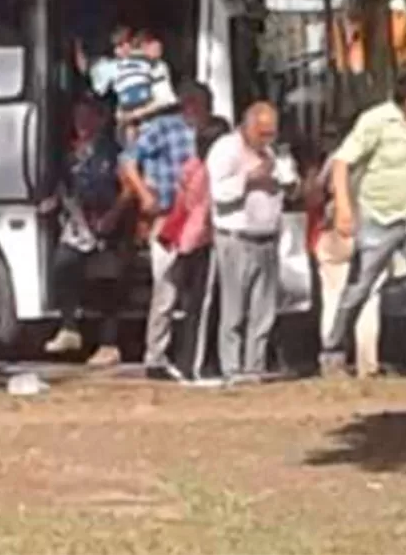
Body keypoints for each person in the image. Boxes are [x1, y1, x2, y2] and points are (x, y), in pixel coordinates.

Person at [321, 69, 406, 376]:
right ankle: (333, 351)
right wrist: (343, 207)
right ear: (403, 101)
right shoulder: (376, 120)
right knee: (359, 287)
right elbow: (342, 162)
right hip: (377, 215)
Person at [41, 99, 135, 366]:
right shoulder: (70, 154)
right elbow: (64, 188)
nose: (81, 124)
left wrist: (113, 217)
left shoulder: (113, 152)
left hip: (110, 222)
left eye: (87, 117)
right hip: (79, 223)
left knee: (108, 282)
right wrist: (52, 203)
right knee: (62, 265)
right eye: (77, 117)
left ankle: (109, 344)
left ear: (100, 120)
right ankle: (69, 327)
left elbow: (128, 189)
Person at [206, 102, 292, 381]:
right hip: (236, 237)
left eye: (272, 133)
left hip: (267, 236)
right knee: (234, 310)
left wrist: (286, 179)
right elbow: (217, 193)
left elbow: (290, 183)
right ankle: (231, 368)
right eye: (263, 133)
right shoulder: (225, 150)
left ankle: (254, 365)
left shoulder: (272, 152)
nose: (268, 139)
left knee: (263, 310)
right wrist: (250, 179)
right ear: (247, 127)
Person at [120, 95, 199, 381]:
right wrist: (143, 194)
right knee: (166, 286)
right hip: (167, 216)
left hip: (200, 218)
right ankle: (155, 356)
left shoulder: (212, 130)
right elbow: (128, 160)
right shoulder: (162, 128)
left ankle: (194, 354)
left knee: (197, 289)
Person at [306, 153, 381, 378]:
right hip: (374, 228)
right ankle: (367, 364)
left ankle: (332, 360)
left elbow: (314, 197)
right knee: (370, 298)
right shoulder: (384, 156)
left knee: (333, 297)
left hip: (337, 228)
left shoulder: (336, 158)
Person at [168, 116, 232, 380]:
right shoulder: (208, 173)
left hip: (187, 241)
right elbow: (205, 210)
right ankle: (194, 365)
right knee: (204, 306)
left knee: (196, 305)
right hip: (203, 241)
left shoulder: (190, 167)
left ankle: (196, 361)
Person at [78, 26, 179, 136]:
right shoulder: (115, 67)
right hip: (127, 131)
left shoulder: (157, 67)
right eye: (117, 46)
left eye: (124, 44)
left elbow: (166, 100)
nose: (120, 51)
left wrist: (134, 114)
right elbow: (91, 73)